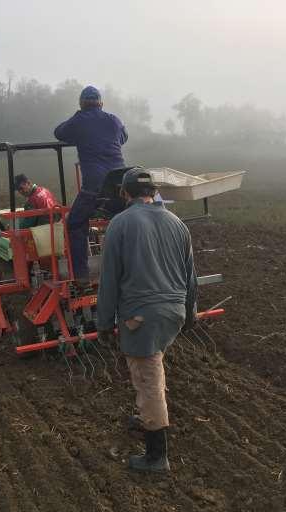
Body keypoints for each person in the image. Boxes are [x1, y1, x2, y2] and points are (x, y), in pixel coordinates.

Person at [96, 167, 198, 474]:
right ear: (153, 193)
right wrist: (190, 313)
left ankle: (157, 456)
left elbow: (109, 280)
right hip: (175, 311)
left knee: (147, 377)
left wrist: (103, 323)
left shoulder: (120, 224)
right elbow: (189, 275)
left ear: (125, 194)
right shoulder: (177, 223)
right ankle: (146, 418)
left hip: (142, 314)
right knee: (154, 363)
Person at [54, 86, 128, 287]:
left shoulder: (80, 120)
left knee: (75, 223)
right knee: (124, 223)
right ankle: (130, 268)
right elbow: (124, 137)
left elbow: (59, 132)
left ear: (81, 104)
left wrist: (80, 118)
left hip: (94, 189)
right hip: (120, 187)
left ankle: (81, 276)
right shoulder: (114, 120)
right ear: (101, 103)